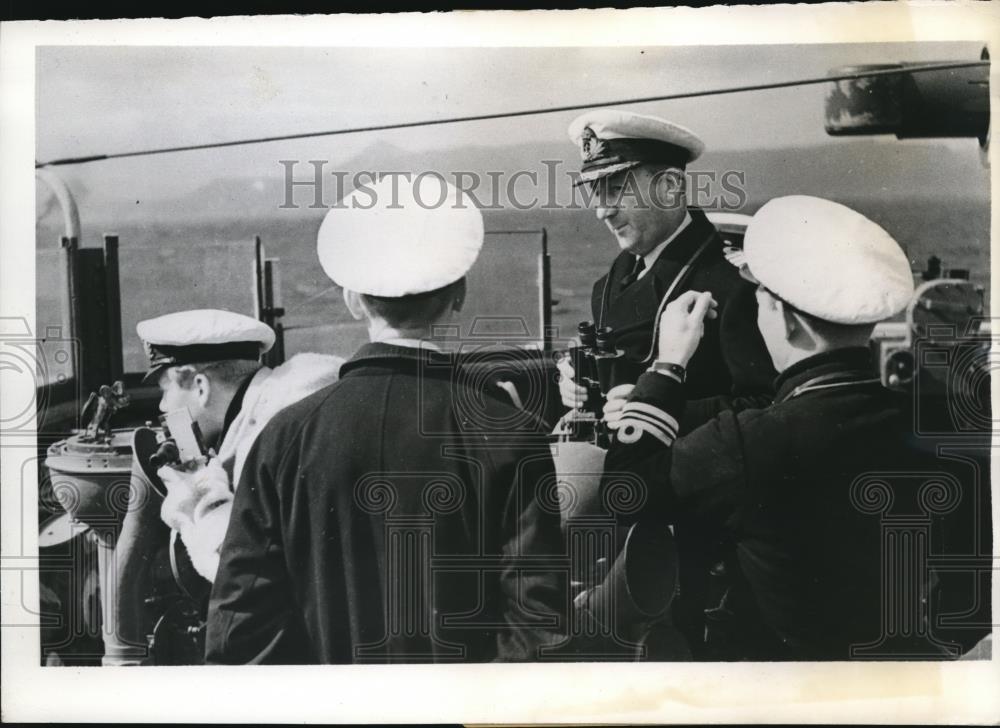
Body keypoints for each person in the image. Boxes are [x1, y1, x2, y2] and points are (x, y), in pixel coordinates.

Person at [206, 176, 567, 664]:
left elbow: (239, 635)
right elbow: (538, 629)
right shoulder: (511, 433)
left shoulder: (283, 437)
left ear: (352, 300)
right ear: (458, 294)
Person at [601, 195, 932, 659]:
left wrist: (667, 367)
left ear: (783, 319)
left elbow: (625, 490)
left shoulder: (748, 444)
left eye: (760, 301)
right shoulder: (933, 425)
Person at [106, 311, 342, 665]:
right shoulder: (289, 401)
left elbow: (237, 575)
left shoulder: (266, 438)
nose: (162, 407)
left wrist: (195, 492)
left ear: (200, 388)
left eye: (165, 389)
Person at [558, 108, 776, 430]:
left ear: (671, 186)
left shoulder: (733, 286)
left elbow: (766, 406)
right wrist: (579, 385)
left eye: (617, 189)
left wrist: (657, 411)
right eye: (597, 192)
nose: (602, 211)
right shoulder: (607, 287)